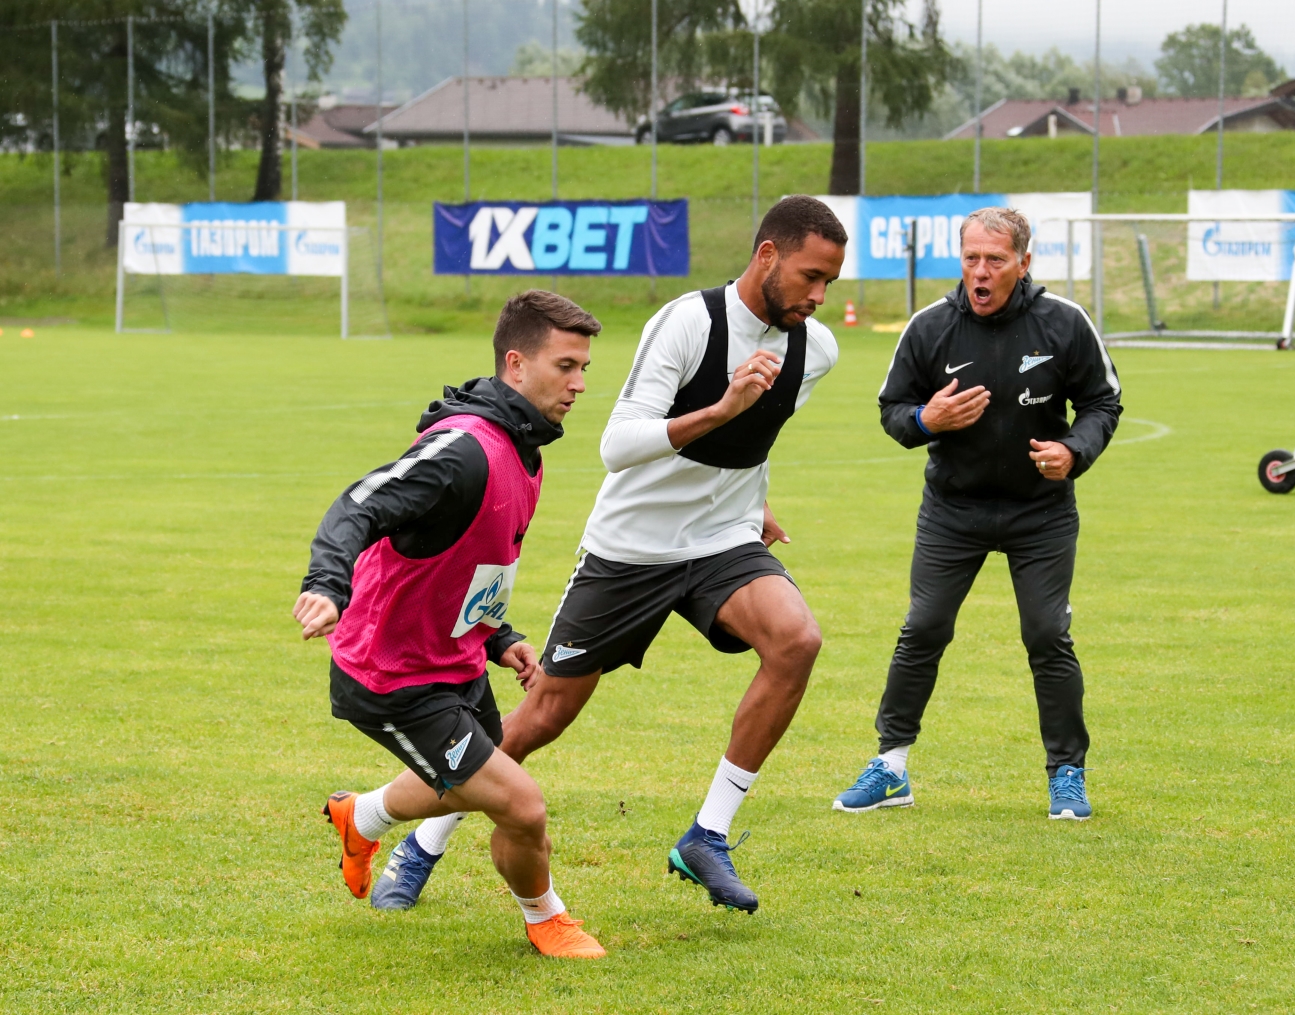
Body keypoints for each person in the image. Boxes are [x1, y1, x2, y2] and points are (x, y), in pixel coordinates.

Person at [370, 195, 849, 915]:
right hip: (630, 550)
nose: (817, 297)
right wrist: (718, 410)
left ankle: (707, 834)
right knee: (541, 717)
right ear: (767, 256)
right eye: (811, 276)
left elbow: (755, 441)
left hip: (720, 541)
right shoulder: (689, 322)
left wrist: (755, 501)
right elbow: (618, 446)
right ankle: (421, 843)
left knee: (797, 638)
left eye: (829, 285)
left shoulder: (816, 349)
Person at [292, 290, 607, 958]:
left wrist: (500, 636)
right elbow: (358, 504)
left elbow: (466, 562)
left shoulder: (525, 452)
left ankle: (362, 814)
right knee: (519, 804)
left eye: (585, 368)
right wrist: (327, 584)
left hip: (453, 661)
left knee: (474, 776)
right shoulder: (463, 450)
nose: (580, 383)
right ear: (516, 365)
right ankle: (546, 916)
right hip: (392, 675)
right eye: (566, 365)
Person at [832, 206, 1122, 821]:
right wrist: (923, 421)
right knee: (924, 628)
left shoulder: (1065, 323)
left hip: (1040, 514)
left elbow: (1102, 402)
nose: (981, 272)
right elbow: (892, 410)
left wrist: (1074, 451)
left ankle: (1067, 772)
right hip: (952, 511)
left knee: (1048, 635)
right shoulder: (930, 327)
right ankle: (891, 766)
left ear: (1024, 260)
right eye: (971, 259)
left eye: (995, 260)